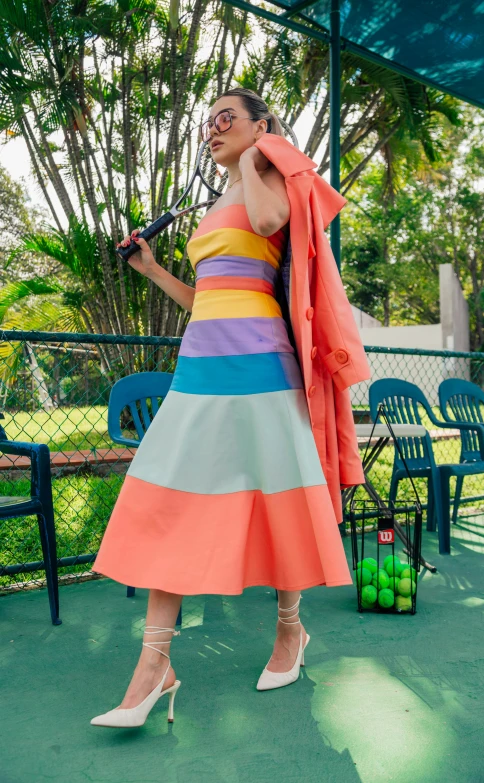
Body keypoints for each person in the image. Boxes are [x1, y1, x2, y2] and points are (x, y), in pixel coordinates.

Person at [90, 87, 355, 729]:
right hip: (201, 366)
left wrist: (252, 156)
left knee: (278, 495)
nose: (212, 129)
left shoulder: (269, 179)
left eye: (226, 119)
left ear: (261, 125)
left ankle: (291, 632)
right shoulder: (219, 198)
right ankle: (155, 666)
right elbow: (208, 297)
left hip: (262, 368)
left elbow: (267, 227)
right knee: (168, 497)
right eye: (206, 121)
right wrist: (153, 270)